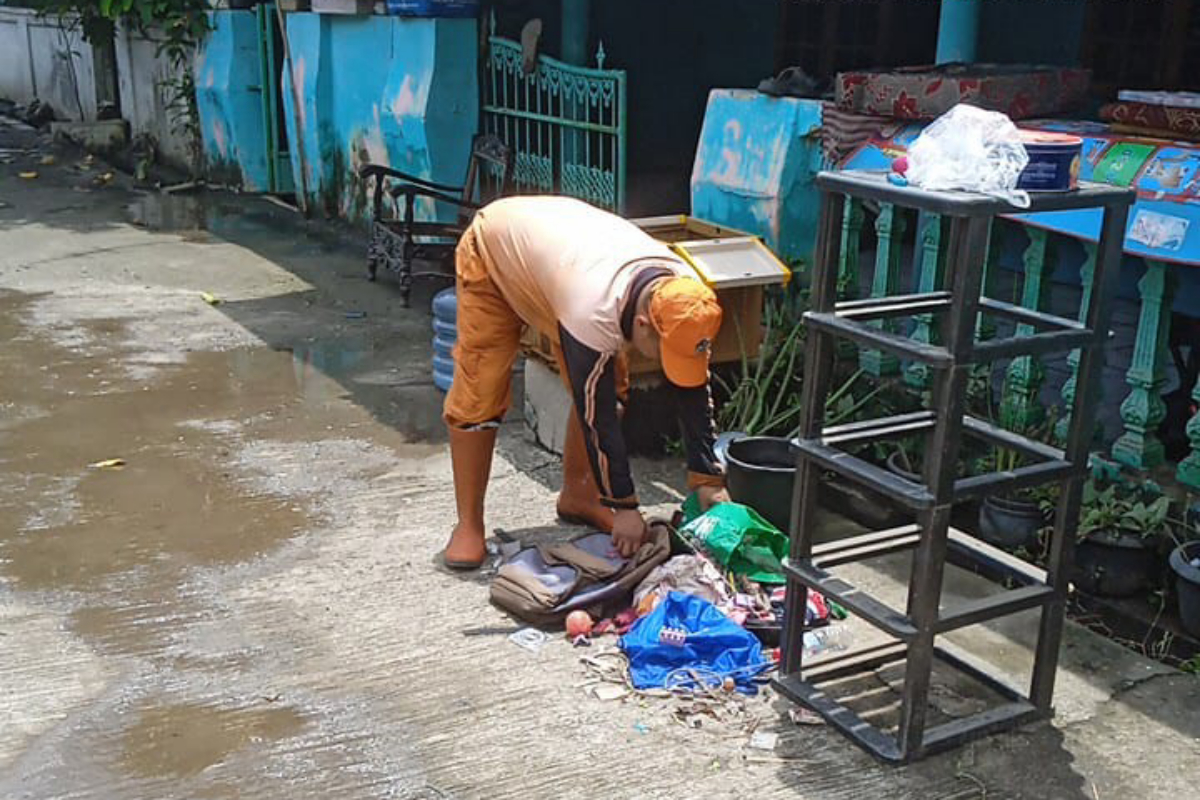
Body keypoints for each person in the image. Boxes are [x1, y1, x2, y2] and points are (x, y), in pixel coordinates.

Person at [441, 195, 730, 569]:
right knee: (481, 388)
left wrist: (707, 478)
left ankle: (581, 495)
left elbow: (694, 392)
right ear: (642, 324)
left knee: (615, 381)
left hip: (561, 260)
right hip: (494, 252)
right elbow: (599, 413)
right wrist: (624, 505)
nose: (663, 364)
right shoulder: (593, 307)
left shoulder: (688, 298)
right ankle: (468, 525)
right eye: (662, 353)